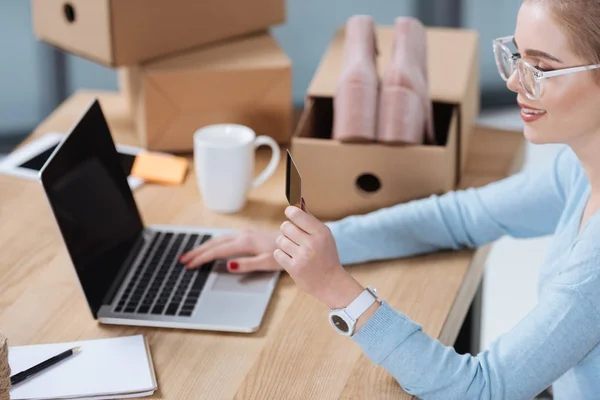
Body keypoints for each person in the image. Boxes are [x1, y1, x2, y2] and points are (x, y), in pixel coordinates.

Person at [180, 1, 600, 398]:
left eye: (541, 68)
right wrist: (315, 244)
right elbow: (461, 216)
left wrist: (337, 289)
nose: (513, 81)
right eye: (517, 56)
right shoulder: (580, 169)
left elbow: (481, 389)